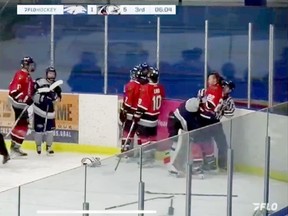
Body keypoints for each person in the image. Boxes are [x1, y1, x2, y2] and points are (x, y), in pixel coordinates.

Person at [167, 72, 224, 176]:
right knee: (184, 142)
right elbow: (185, 121)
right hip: (176, 123)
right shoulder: (193, 105)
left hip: (183, 123)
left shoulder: (200, 108)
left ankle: (199, 165)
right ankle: (175, 164)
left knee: (200, 141)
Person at [132, 66, 165, 164]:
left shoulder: (146, 88)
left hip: (146, 118)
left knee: (143, 137)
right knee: (152, 137)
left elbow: (143, 105)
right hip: (154, 118)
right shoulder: (160, 87)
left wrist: (137, 115)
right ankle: (151, 158)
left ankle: (146, 159)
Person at [8, 56, 35, 157]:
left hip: (22, 103)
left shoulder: (27, 75)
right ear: (26, 65)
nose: (32, 67)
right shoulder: (21, 75)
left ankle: (15, 147)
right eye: (30, 65)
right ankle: (14, 148)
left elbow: (29, 88)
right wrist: (24, 100)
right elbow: (14, 91)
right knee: (22, 125)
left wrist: (34, 89)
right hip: (18, 104)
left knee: (22, 124)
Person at [119, 63, 149, 153]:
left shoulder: (131, 85)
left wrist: (123, 110)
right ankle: (141, 154)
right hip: (142, 114)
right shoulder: (147, 85)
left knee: (127, 132)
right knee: (141, 135)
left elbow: (128, 103)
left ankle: (126, 152)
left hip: (131, 114)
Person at [33, 67, 62, 155]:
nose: (51, 75)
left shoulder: (57, 86)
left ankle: (49, 147)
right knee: (38, 130)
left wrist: (54, 98)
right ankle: (38, 145)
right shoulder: (39, 82)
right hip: (38, 110)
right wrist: (42, 98)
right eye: (49, 73)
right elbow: (33, 94)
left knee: (50, 130)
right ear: (46, 74)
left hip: (50, 112)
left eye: (53, 74)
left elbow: (59, 99)